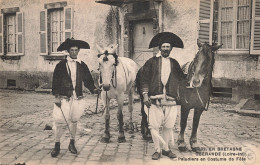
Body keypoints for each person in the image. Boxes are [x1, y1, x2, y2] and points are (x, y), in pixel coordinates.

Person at [51, 38, 100, 157]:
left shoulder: (82, 65)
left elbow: (88, 80)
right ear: (68, 51)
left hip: (77, 97)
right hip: (64, 97)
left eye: (76, 50)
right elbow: (55, 82)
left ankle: (71, 143)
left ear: (78, 51)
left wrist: (94, 89)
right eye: (72, 50)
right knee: (60, 121)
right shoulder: (61, 65)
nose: (74, 52)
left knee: (74, 121)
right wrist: (57, 97)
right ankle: (57, 144)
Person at [140, 32, 186, 160]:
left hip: (171, 100)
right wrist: (145, 95)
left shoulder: (175, 63)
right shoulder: (151, 62)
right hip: (155, 99)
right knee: (154, 127)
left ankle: (166, 149)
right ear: (160, 48)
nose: (166, 49)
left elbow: (182, 80)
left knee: (169, 126)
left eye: (168, 47)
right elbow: (144, 80)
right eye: (164, 46)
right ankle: (157, 150)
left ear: (171, 48)